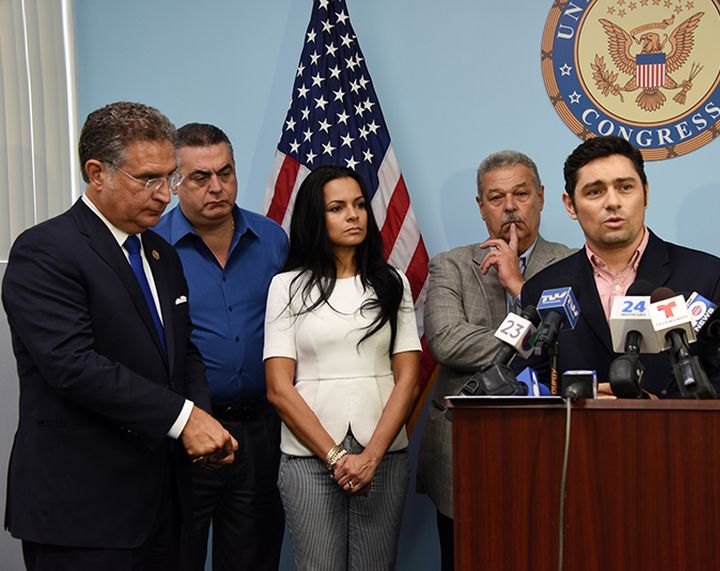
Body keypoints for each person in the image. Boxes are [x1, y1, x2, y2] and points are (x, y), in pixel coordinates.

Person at [1, 101, 237, 570]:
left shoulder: (160, 253)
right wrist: (184, 420)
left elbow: (182, 353)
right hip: (83, 511)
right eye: (147, 179)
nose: (164, 196)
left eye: (168, 178)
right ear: (97, 173)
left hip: (164, 503)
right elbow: (73, 366)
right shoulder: (45, 251)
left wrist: (203, 425)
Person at [416, 150, 573, 569]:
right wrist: (535, 332)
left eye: (521, 193)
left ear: (541, 197)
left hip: (549, 443)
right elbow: (448, 343)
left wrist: (519, 286)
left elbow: (575, 345)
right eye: (496, 197)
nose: (510, 207)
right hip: (465, 445)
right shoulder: (449, 266)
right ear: (481, 206)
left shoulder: (573, 264)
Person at [263, 165, 421, 570]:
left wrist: (371, 456)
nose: (353, 215)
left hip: (382, 453)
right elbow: (279, 388)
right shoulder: (287, 286)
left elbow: (408, 377)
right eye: (337, 208)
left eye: (359, 205)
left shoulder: (393, 282)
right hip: (309, 456)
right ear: (316, 218)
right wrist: (335, 457)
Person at [521, 136, 720, 399]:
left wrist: (662, 408)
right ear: (570, 205)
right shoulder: (544, 289)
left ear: (645, 192)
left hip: (679, 438)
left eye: (625, 187)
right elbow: (531, 383)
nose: (612, 202)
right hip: (576, 437)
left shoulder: (707, 276)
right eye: (595, 191)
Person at [154, 123, 288, 571]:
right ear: (174, 182)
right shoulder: (152, 247)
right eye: (200, 177)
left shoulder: (272, 239)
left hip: (260, 430)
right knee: (177, 555)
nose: (217, 187)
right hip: (184, 432)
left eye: (225, 173)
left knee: (253, 558)